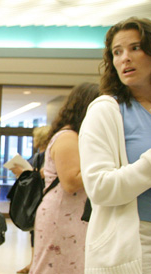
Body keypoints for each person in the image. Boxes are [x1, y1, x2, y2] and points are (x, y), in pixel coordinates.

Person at [79, 17, 151, 273]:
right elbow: (99, 188)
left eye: (135, 48)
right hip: (135, 242)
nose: (125, 58)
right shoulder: (106, 111)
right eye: (117, 52)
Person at [29, 82, 99, 274]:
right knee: (57, 267)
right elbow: (70, 182)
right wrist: (103, 168)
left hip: (71, 215)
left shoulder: (75, 136)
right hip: (62, 215)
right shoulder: (68, 137)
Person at [8, 125, 50, 274]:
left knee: (38, 231)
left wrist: (25, 172)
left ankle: (35, 263)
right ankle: (34, 263)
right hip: (40, 198)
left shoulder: (47, 156)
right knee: (35, 231)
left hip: (43, 198)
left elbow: (43, 175)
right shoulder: (38, 156)